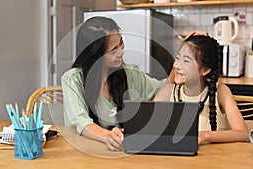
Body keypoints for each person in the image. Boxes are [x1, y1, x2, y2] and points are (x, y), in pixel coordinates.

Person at [61, 16, 172, 151]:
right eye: (113, 50)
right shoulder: (73, 80)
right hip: (84, 157)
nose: (121, 51)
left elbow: (165, 86)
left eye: (121, 42)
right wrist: (108, 136)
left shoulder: (129, 73)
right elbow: (80, 121)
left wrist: (188, 51)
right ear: (95, 55)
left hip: (121, 155)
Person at [154, 35, 249, 144]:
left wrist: (205, 135)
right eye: (177, 58)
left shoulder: (221, 92)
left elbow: (243, 134)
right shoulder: (168, 91)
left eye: (186, 61)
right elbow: (148, 128)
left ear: (205, 70)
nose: (177, 65)